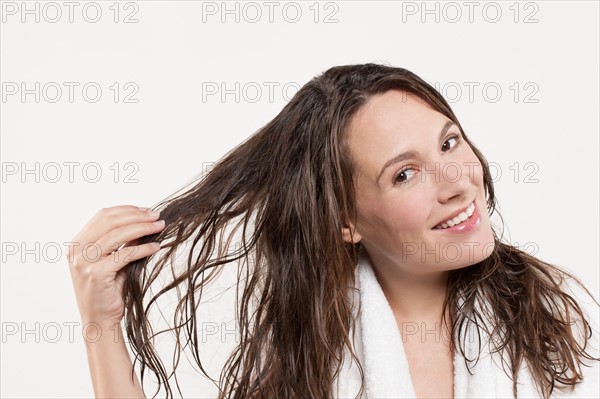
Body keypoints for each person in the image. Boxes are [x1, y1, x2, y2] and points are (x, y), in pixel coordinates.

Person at [67, 63, 599, 399]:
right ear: (345, 221)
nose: (458, 182)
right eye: (404, 173)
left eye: (449, 142)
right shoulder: (311, 358)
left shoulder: (559, 319)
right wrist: (101, 325)